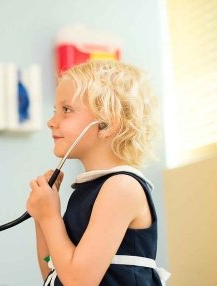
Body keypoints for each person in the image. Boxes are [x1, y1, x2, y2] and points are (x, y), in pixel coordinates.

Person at [26, 60, 170, 286]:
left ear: (106, 124)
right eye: (56, 110)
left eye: (67, 110)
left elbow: (78, 282)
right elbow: (53, 273)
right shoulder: (89, 190)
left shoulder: (122, 187)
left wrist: (49, 216)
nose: (51, 121)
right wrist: (41, 219)